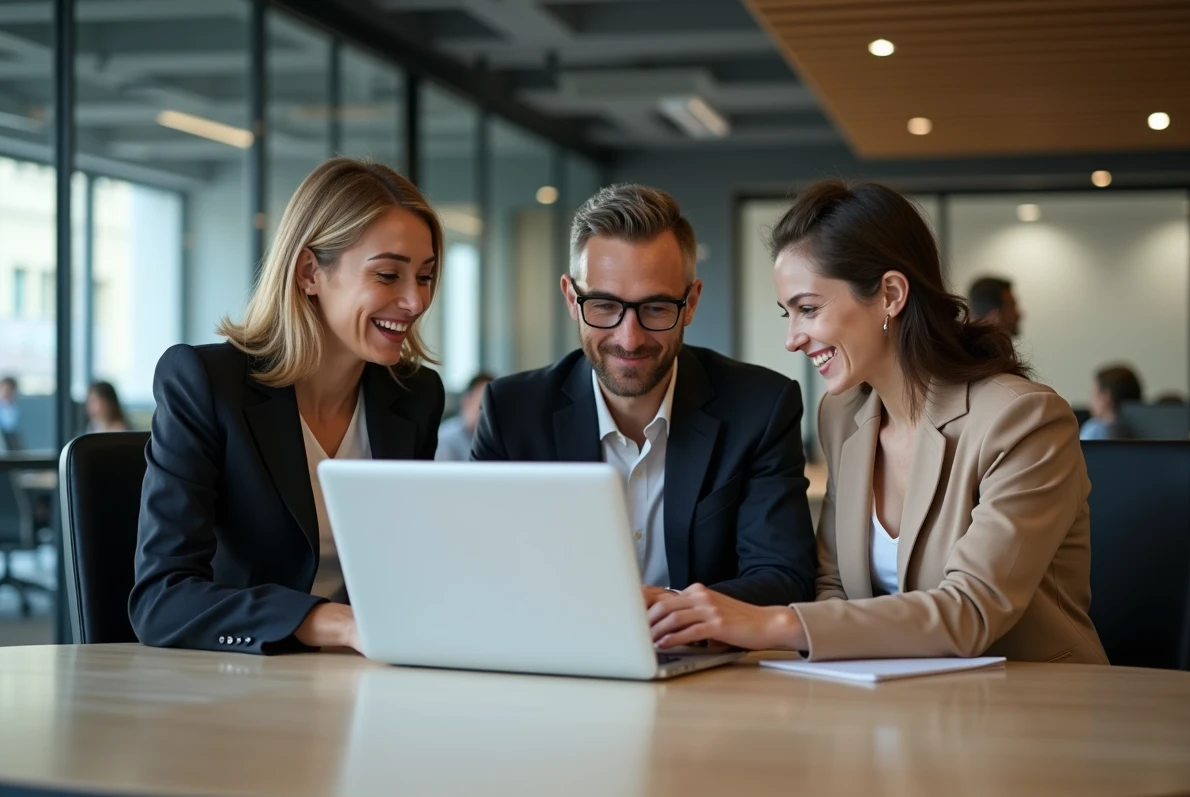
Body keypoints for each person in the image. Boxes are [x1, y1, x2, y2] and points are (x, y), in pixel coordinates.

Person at [648, 179, 1107, 665]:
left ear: (890, 293)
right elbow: (835, 585)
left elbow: (972, 610)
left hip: (1034, 706)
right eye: (788, 313)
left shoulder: (1022, 420)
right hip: (894, 702)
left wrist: (772, 623)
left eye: (808, 309)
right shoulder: (842, 415)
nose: (793, 339)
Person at [130, 158, 445, 655]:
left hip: (372, 675)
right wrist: (335, 624)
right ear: (309, 272)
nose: (415, 301)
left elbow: (407, 571)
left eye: (425, 277)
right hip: (244, 685)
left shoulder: (413, 396)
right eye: (388, 275)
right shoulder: (206, 384)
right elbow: (161, 600)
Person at [472, 184, 815, 607]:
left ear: (690, 304)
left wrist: (663, 612)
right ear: (570, 297)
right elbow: (481, 569)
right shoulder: (512, 412)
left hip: (704, 660)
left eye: (655, 308)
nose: (629, 339)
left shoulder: (760, 406)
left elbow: (782, 577)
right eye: (602, 305)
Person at [435, 372, 493, 461]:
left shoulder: (496, 440)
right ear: (466, 401)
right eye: (482, 405)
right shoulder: (448, 438)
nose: (489, 413)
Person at [1080, 364, 1141, 440]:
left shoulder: (1095, 429)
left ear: (1105, 397)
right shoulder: (1143, 429)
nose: (1090, 401)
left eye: (1093, 394)